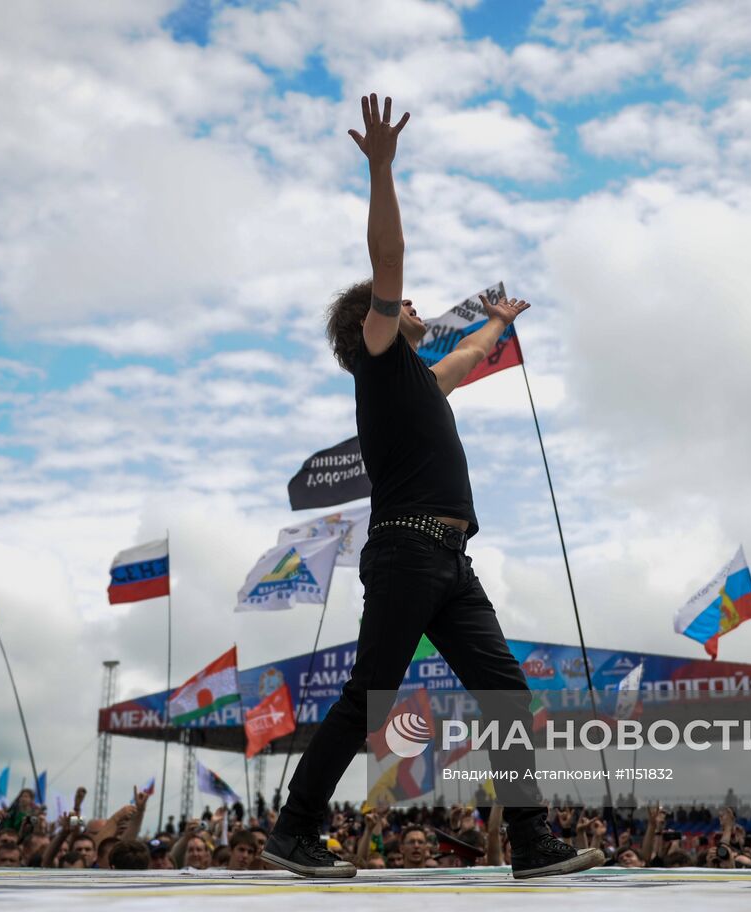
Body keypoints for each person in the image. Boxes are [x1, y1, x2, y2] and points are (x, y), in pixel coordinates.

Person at [261, 92, 600, 883]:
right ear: (368, 325)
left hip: (451, 561)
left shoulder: (418, 379)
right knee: (370, 691)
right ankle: (295, 829)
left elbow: (467, 359)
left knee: (505, 692)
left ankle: (533, 842)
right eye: (399, 306)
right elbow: (388, 265)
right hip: (408, 552)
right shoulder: (378, 358)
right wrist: (382, 170)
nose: (413, 306)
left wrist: (499, 322)